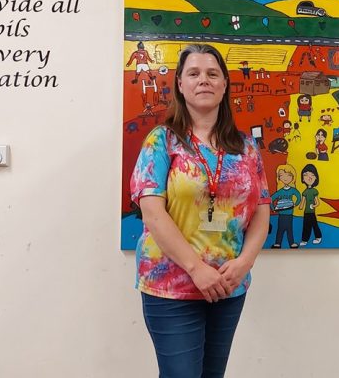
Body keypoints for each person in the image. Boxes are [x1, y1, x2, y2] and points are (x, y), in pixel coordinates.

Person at [128, 43, 270, 378]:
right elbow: (152, 213)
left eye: (212, 74)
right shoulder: (161, 141)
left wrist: (244, 263)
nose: (203, 80)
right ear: (180, 84)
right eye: (193, 73)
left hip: (228, 284)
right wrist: (196, 268)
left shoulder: (246, 146)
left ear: (224, 84)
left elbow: (262, 210)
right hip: (172, 285)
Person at [269, 164, 301, 249]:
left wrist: (295, 204)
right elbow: (271, 199)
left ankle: (291, 243)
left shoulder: (293, 190)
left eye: (288, 175)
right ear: (279, 178)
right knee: (280, 229)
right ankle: (278, 243)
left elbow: (298, 196)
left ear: (293, 177)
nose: (285, 178)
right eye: (282, 175)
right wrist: (273, 208)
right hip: (281, 214)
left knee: (289, 228)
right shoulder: (280, 191)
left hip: (289, 213)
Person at [298, 163, 322, 246]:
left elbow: (317, 202)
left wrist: (313, 206)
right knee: (306, 225)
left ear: (316, 178)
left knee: (314, 224)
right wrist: (300, 206)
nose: (309, 177)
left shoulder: (314, 191)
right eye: (306, 175)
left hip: (312, 212)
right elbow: (302, 202)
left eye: (312, 175)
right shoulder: (305, 192)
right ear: (303, 179)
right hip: (306, 212)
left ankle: (318, 237)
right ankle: (304, 240)